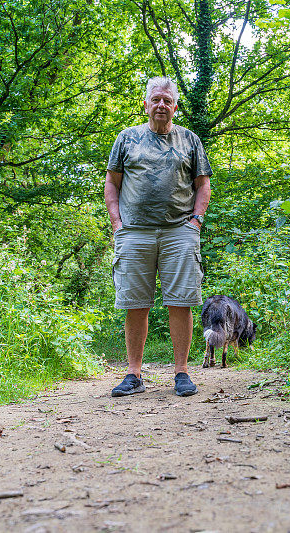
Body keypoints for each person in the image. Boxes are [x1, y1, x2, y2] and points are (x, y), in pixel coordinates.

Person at [104, 76, 212, 397]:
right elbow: (112, 182)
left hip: (180, 230)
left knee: (181, 301)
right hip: (134, 232)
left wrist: (196, 221)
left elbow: (203, 185)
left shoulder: (190, 140)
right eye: (156, 99)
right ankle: (134, 374)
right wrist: (116, 223)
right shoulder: (127, 139)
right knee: (135, 303)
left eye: (167, 100)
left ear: (175, 106)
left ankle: (181, 372)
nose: (161, 105)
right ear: (147, 104)